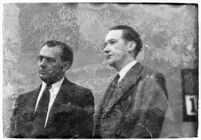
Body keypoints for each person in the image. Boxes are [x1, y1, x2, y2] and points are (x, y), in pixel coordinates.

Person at [93, 25, 168, 138]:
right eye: (105, 45)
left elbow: (145, 131)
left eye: (112, 42)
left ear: (131, 46)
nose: (106, 49)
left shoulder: (150, 78)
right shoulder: (115, 82)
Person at [9, 40, 94, 138]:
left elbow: (83, 136)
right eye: (40, 58)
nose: (42, 64)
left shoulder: (81, 96)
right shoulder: (23, 100)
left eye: (49, 60)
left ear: (65, 66)